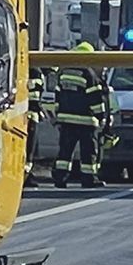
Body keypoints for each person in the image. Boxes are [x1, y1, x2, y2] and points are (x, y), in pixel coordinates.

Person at [52, 42, 105, 189]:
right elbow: (95, 98)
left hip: (66, 120)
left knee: (65, 152)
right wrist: (101, 117)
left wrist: (58, 115)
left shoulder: (64, 73)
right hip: (86, 121)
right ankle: (88, 179)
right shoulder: (88, 74)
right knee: (88, 153)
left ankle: (60, 179)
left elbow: (58, 95)